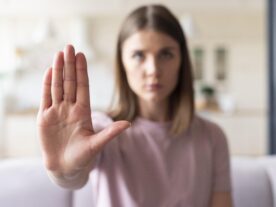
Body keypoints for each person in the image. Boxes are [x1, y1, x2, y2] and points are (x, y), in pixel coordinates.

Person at [37, 4, 233, 207]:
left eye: (166, 54)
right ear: (122, 63)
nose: (153, 69)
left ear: (182, 61)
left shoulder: (212, 137)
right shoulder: (102, 131)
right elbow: (74, 176)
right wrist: (63, 170)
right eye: (139, 55)